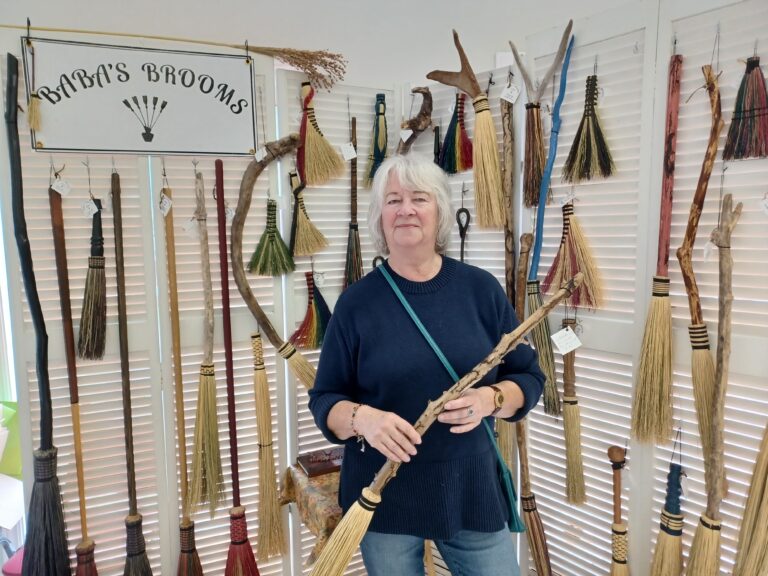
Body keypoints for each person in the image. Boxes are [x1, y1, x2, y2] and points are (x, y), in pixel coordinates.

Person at [308, 154, 545, 576]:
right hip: (384, 497)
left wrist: (491, 399)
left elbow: (528, 377)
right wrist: (365, 419)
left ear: (440, 211)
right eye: (393, 200)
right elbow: (326, 400)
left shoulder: (481, 291)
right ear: (380, 217)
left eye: (419, 198)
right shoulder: (356, 305)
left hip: (470, 488)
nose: (406, 209)